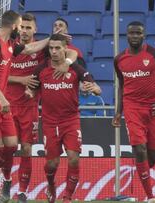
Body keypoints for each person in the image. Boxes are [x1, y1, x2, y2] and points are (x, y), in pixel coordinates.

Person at [0, 10, 57, 203]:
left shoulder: (10, 44)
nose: (22, 30)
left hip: (2, 104)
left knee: (11, 145)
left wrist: (52, 38)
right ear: (13, 26)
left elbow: (28, 49)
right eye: (21, 26)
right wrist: (2, 98)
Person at [4, 13, 78, 203]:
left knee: (26, 148)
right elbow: (1, 75)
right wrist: (21, 79)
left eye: (29, 28)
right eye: (22, 27)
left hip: (30, 106)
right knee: (9, 147)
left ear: (35, 29)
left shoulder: (45, 49)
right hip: (9, 104)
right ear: (17, 28)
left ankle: (22, 191)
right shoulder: (11, 47)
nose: (25, 31)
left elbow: (71, 53)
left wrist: (67, 62)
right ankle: (4, 181)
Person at [26, 34, 101, 203]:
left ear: (65, 49)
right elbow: (31, 89)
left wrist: (93, 87)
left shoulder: (75, 68)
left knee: (74, 158)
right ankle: (51, 184)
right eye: (51, 48)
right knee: (51, 164)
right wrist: (29, 92)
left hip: (70, 120)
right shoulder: (40, 69)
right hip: (49, 122)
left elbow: (97, 88)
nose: (54, 51)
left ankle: (67, 197)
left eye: (57, 48)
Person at [112, 21, 155, 203]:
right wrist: (118, 112)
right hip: (132, 109)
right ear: (126, 35)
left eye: (138, 33)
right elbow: (121, 86)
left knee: (152, 156)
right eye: (131, 33)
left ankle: (141, 171)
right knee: (139, 149)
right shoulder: (119, 59)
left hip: (153, 109)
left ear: (143, 35)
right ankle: (150, 197)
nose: (134, 36)